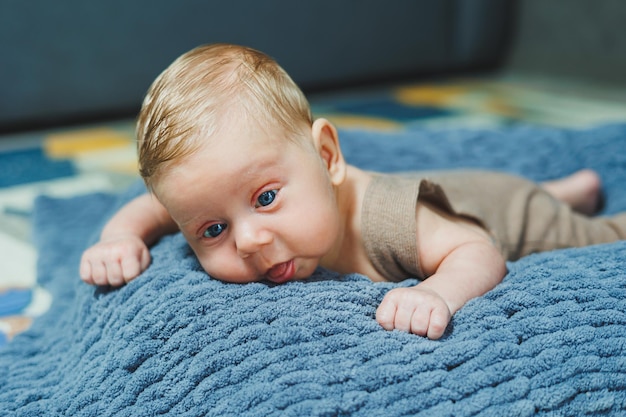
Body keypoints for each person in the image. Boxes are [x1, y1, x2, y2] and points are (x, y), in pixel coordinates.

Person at [79, 43, 626, 340]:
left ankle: (564, 199)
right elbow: (156, 208)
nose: (248, 240)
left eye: (266, 198)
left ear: (326, 157)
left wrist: (438, 293)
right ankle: (567, 187)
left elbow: (476, 248)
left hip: (506, 211)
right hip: (460, 194)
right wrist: (120, 235)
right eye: (212, 230)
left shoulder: (389, 220)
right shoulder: (215, 196)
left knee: (589, 232)